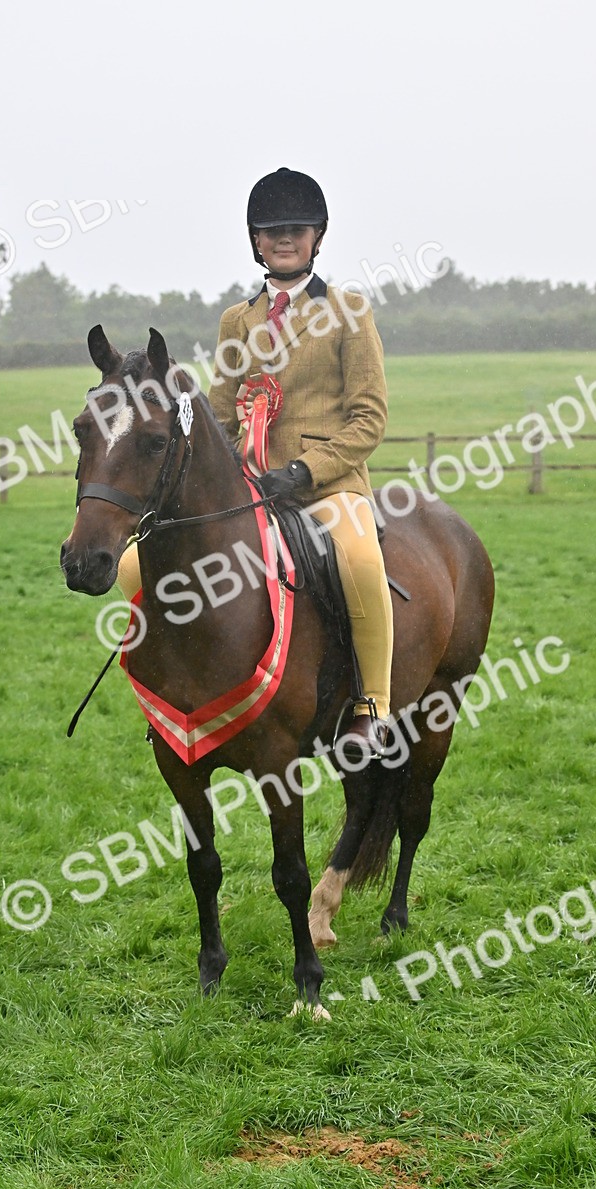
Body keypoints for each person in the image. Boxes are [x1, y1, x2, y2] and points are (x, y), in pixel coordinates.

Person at [206, 167, 394, 759]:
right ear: (255, 240)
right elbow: (220, 416)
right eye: (271, 230)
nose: (284, 238)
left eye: (296, 229)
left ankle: (372, 707)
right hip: (250, 488)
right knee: (146, 560)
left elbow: (368, 417)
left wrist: (305, 470)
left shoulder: (348, 311)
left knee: (360, 558)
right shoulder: (236, 321)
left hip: (325, 486)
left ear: (317, 237)